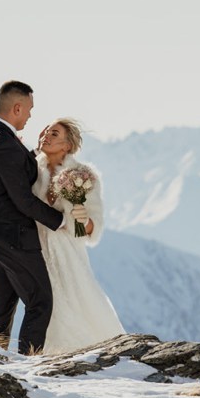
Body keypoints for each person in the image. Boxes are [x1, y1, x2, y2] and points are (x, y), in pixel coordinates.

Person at [0, 80, 64, 355]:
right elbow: (22, 199)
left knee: (1, 311)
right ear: (18, 108)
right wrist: (61, 221)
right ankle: (27, 366)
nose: (31, 115)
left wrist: (32, 154)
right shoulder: (4, 143)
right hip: (14, 239)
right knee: (40, 302)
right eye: (30, 109)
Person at [31, 117, 124, 355]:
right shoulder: (32, 170)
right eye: (46, 133)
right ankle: (44, 352)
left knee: (78, 298)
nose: (46, 137)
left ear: (67, 145)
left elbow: (93, 229)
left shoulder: (83, 175)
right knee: (44, 302)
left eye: (54, 134)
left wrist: (82, 219)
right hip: (36, 246)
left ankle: (85, 352)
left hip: (68, 250)